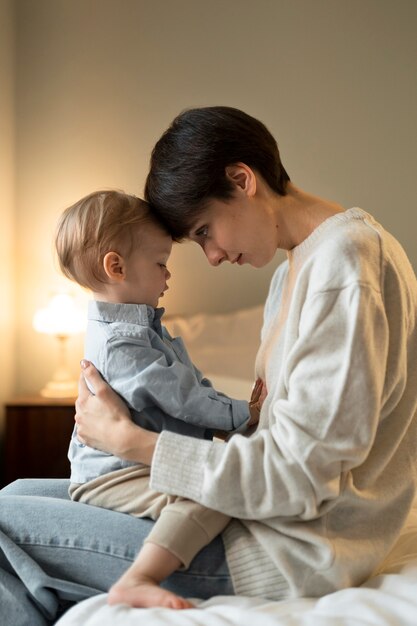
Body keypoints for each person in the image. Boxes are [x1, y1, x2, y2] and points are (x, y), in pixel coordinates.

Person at [0, 106, 416, 626]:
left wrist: (132, 443)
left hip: (282, 548)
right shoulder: (294, 273)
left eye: (204, 232)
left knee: (3, 519)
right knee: (15, 494)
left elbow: (301, 477)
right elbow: (272, 438)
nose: (212, 256)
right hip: (255, 515)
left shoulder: (345, 268)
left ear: (242, 181)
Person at [54, 189, 261, 609]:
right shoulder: (124, 343)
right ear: (116, 266)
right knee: (211, 492)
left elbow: (191, 385)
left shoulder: (139, 329)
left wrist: (234, 410)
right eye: (161, 263)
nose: (169, 276)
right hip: (115, 473)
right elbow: (183, 398)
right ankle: (139, 578)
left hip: (125, 463)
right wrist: (245, 415)